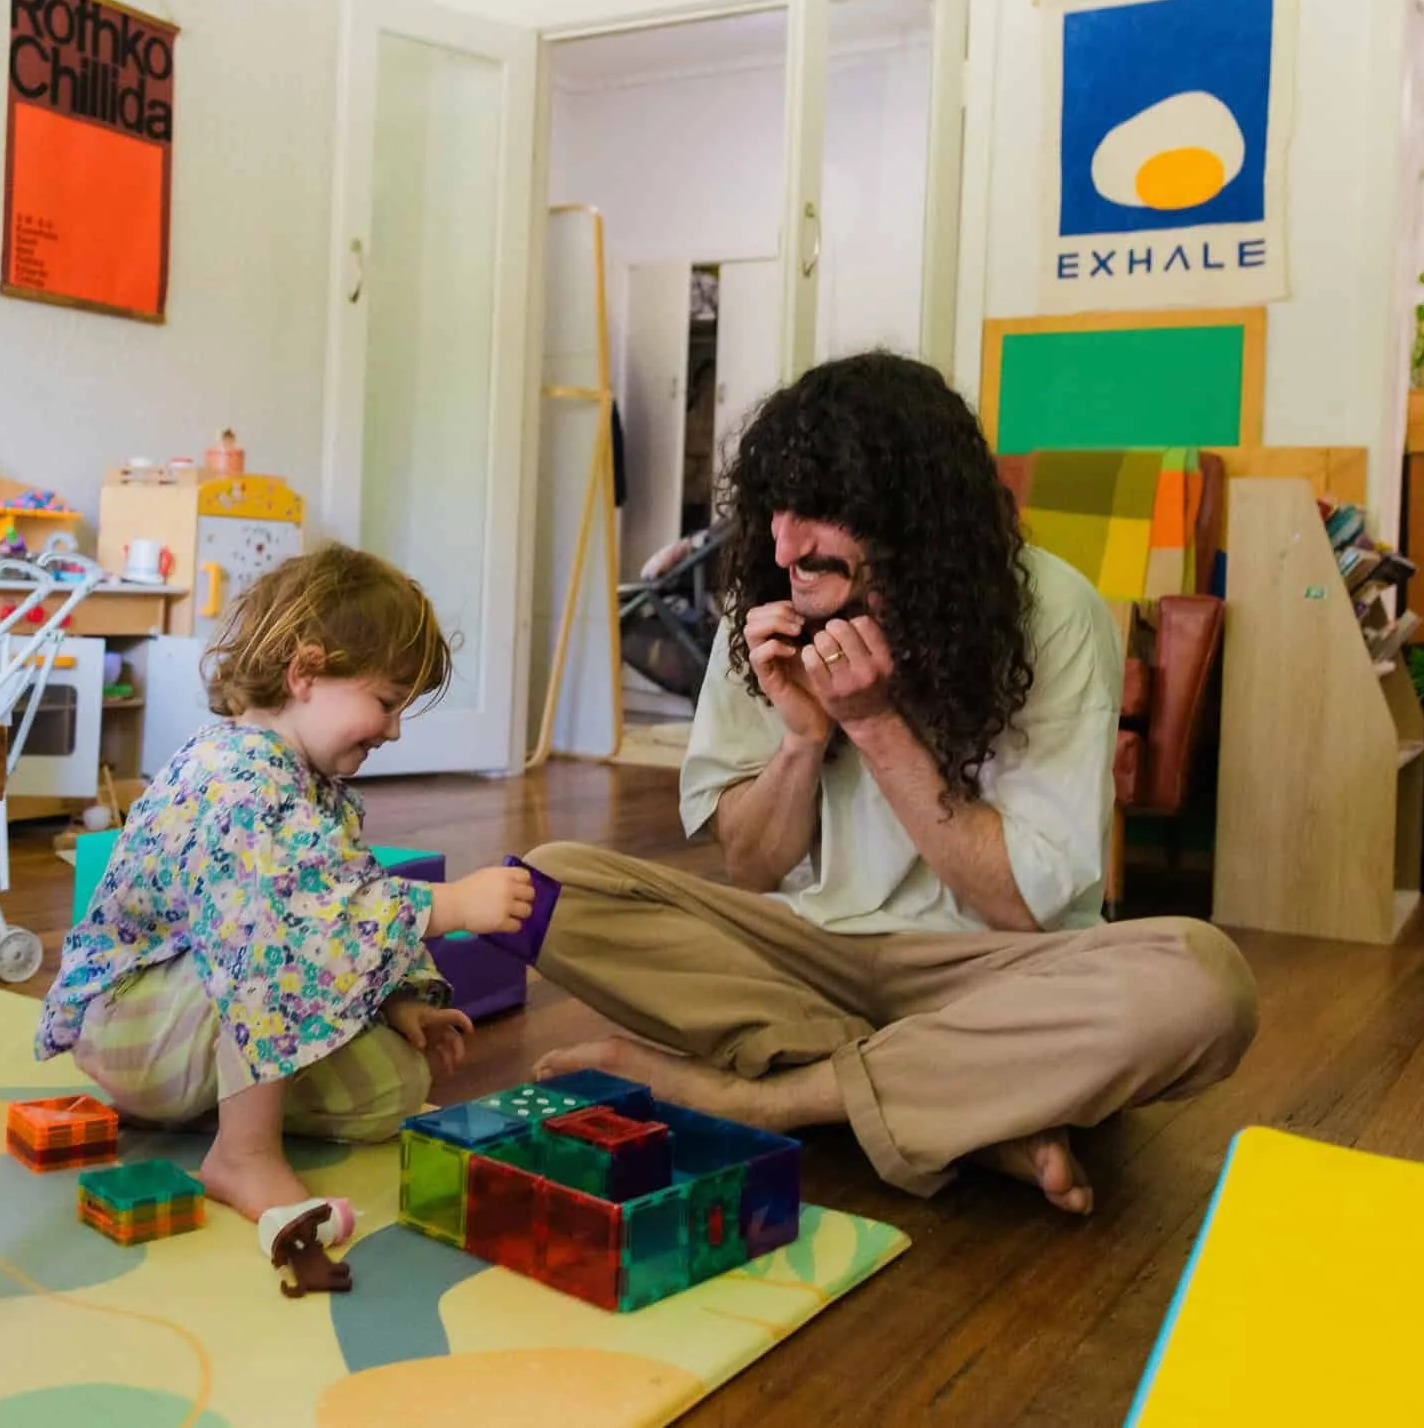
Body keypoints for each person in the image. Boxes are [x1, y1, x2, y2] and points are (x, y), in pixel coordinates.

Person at [527, 352, 1258, 1214]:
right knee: (540, 886)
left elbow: (1021, 908)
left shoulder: (1053, 612)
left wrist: (875, 723)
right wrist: (803, 740)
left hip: (990, 970)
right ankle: (960, 1102)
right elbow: (755, 868)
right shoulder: (764, 610)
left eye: (822, 513)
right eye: (777, 509)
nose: (785, 544)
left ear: (914, 517)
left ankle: (768, 1099)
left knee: (1206, 984)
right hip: (807, 956)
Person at [36, 544, 536, 1220]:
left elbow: (348, 881)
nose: (392, 730)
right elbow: (293, 917)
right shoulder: (235, 777)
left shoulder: (308, 783)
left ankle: (224, 1105)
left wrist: (395, 998)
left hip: (206, 1021)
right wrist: (449, 904)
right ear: (305, 672)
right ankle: (243, 1153)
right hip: (135, 1023)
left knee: (397, 1083)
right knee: (275, 933)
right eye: (386, 702)